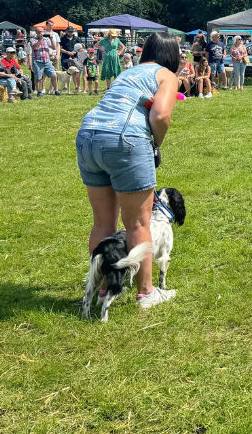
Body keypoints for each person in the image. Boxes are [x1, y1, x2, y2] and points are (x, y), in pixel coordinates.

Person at [76, 33, 182, 312]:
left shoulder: (128, 71)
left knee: (102, 223)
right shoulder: (167, 75)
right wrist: (156, 145)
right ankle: (146, 293)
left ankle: (102, 290)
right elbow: (161, 115)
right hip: (125, 139)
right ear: (173, 56)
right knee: (138, 223)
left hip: (88, 135)